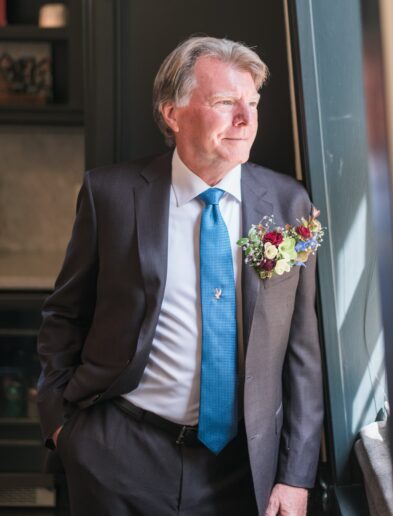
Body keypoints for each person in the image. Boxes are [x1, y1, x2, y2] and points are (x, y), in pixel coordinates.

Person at [37, 36, 323, 516]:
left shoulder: (289, 204)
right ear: (173, 114)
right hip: (120, 454)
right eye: (225, 102)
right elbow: (64, 315)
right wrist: (62, 428)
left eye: (252, 103)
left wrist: (295, 475)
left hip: (240, 467)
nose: (246, 120)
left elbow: (302, 354)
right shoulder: (111, 194)